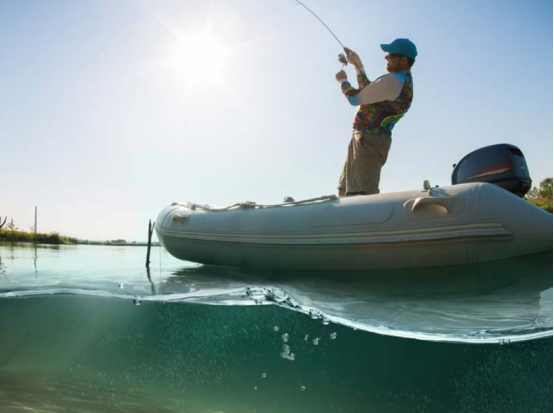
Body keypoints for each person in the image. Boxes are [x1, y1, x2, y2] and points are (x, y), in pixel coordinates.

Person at [335, 38, 417, 196]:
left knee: (360, 195)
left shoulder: (393, 81)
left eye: (390, 55)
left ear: (404, 59)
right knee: (344, 191)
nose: (386, 58)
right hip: (364, 139)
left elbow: (356, 98)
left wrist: (342, 81)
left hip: (369, 141)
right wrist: (358, 67)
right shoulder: (398, 80)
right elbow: (368, 92)